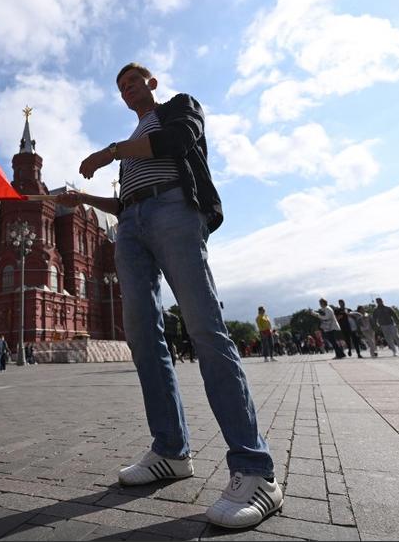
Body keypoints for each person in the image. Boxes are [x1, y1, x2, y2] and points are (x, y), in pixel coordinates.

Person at [55, 62, 281, 530]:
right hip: (130, 225)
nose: (128, 89)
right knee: (142, 336)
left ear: (151, 83)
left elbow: (177, 144)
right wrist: (85, 200)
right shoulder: (134, 144)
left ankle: (255, 471)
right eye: (121, 87)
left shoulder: (179, 107)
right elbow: (124, 202)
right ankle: (171, 450)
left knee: (203, 327)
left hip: (174, 209)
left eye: (134, 81)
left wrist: (110, 152)